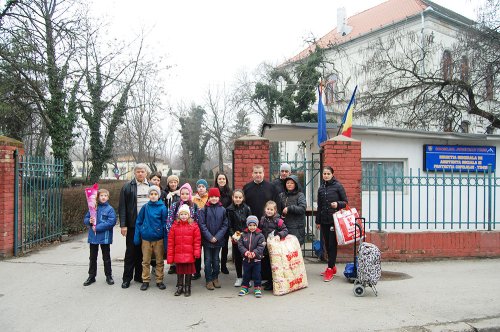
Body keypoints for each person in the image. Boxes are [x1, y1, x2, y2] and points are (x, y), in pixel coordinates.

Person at [119, 163, 150, 289]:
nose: (140, 173)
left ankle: (139, 275)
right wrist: (123, 225)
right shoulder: (127, 187)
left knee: (143, 252)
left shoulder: (152, 187)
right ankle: (127, 278)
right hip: (132, 225)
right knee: (131, 252)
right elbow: (122, 207)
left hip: (147, 225)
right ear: (134, 173)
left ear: (146, 173)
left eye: (142, 171)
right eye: (138, 171)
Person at [315, 166, 348, 282]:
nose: (326, 175)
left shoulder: (338, 186)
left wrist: (337, 204)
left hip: (334, 221)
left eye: (328, 173)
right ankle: (332, 267)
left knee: (332, 245)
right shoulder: (321, 188)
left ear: (332, 174)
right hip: (324, 220)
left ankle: (330, 268)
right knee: (326, 244)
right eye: (324, 173)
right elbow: (319, 206)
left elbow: (345, 202)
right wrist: (317, 221)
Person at [133, 185, 167, 291]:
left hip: (158, 239)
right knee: (146, 261)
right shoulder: (145, 207)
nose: (153, 196)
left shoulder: (163, 208)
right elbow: (139, 221)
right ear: (149, 196)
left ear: (159, 196)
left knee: (159, 261)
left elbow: (165, 223)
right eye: (151, 194)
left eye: (155, 194)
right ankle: (146, 280)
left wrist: (164, 238)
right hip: (146, 239)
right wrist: (138, 235)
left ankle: (159, 280)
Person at [83, 188, 116, 286]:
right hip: (93, 238)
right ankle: (91, 276)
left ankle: (108, 276)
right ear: (98, 197)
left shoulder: (110, 209)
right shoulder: (93, 208)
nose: (103, 197)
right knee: (92, 257)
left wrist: (97, 227)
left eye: (105, 196)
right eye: (101, 195)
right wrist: (89, 221)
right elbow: (86, 218)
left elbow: (111, 222)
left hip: (105, 238)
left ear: (108, 197)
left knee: (106, 257)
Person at [166, 183, 200, 279]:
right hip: (178, 236)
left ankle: (192, 276)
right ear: (180, 194)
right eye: (182, 193)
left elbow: (197, 220)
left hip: (190, 236)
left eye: (186, 193)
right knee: (179, 258)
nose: (184, 196)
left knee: (191, 257)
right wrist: (171, 233)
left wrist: (195, 232)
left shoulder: (194, 206)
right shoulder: (175, 205)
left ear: (190, 194)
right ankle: (180, 281)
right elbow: (169, 220)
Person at [167, 204, 201, 297]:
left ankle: (187, 287)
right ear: (178, 215)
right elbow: (171, 242)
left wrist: (196, 252)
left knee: (189, 271)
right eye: (181, 214)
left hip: (189, 254)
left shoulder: (194, 226)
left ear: (189, 215)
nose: (183, 216)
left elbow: (197, 241)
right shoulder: (174, 226)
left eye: (185, 214)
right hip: (179, 254)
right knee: (180, 271)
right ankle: (180, 286)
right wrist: (170, 256)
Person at [198, 188, 229, 291]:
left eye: (216, 197)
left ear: (218, 197)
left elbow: (225, 225)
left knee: (216, 260)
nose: (214, 198)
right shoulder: (204, 209)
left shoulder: (223, 210)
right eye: (211, 197)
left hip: (218, 240)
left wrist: (217, 237)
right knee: (207, 260)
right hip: (207, 240)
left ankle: (215, 277)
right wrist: (210, 237)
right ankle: (208, 280)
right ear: (209, 197)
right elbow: (202, 225)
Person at [258, 200, 288, 291]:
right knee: (266, 264)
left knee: (273, 265)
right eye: (268, 209)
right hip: (265, 247)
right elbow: (259, 230)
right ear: (265, 209)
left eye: (271, 209)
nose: (269, 211)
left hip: (274, 248)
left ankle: (273, 282)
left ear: (275, 211)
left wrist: (279, 235)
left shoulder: (278, 221)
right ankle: (269, 280)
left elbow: (285, 230)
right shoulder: (263, 219)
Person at [226, 189, 252, 287]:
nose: (238, 199)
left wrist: (246, 233)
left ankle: (247, 278)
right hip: (236, 237)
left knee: (246, 258)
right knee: (237, 258)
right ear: (233, 198)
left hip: (246, 235)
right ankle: (239, 277)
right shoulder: (229, 210)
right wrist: (234, 235)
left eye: (240, 197)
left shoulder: (247, 208)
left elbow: (250, 222)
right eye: (236, 197)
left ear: (243, 198)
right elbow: (229, 225)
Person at [237, 215, 265, 298]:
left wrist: (254, 253)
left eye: (254, 225)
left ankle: (257, 288)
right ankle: (245, 287)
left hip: (256, 259)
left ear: (257, 225)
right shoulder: (243, 234)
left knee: (257, 274)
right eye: (250, 225)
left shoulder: (260, 235)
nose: (252, 227)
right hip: (246, 259)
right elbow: (240, 245)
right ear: (247, 225)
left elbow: (261, 246)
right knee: (246, 274)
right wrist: (245, 252)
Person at [277, 175, 307, 245]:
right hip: (284, 226)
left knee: (295, 250)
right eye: (287, 183)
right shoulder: (281, 195)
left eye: (292, 183)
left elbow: (302, 208)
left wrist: (289, 208)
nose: (289, 185)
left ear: (296, 184)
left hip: (296, 227)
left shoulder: (300, 195)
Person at [214, 172, 232, 275]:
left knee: (224, 246)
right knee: (215, 245)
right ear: (217, 180)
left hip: (225, 222)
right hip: (215, 222)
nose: (221, 180)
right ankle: (215, 264)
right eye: (220, 179)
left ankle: (223, 266)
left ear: (226, 180)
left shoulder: (229, 192)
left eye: (223, 179)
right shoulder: (213, 191)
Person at [164, 174, 180, 275]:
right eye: (171, 182)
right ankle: (172, 265)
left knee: (178, 244)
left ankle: (178, 264)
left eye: (175, 182)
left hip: (178, 221)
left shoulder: (180, 193)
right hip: (168, 221)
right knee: (171, 244)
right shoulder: (165, 194)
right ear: (168, 183)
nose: (173, 184)